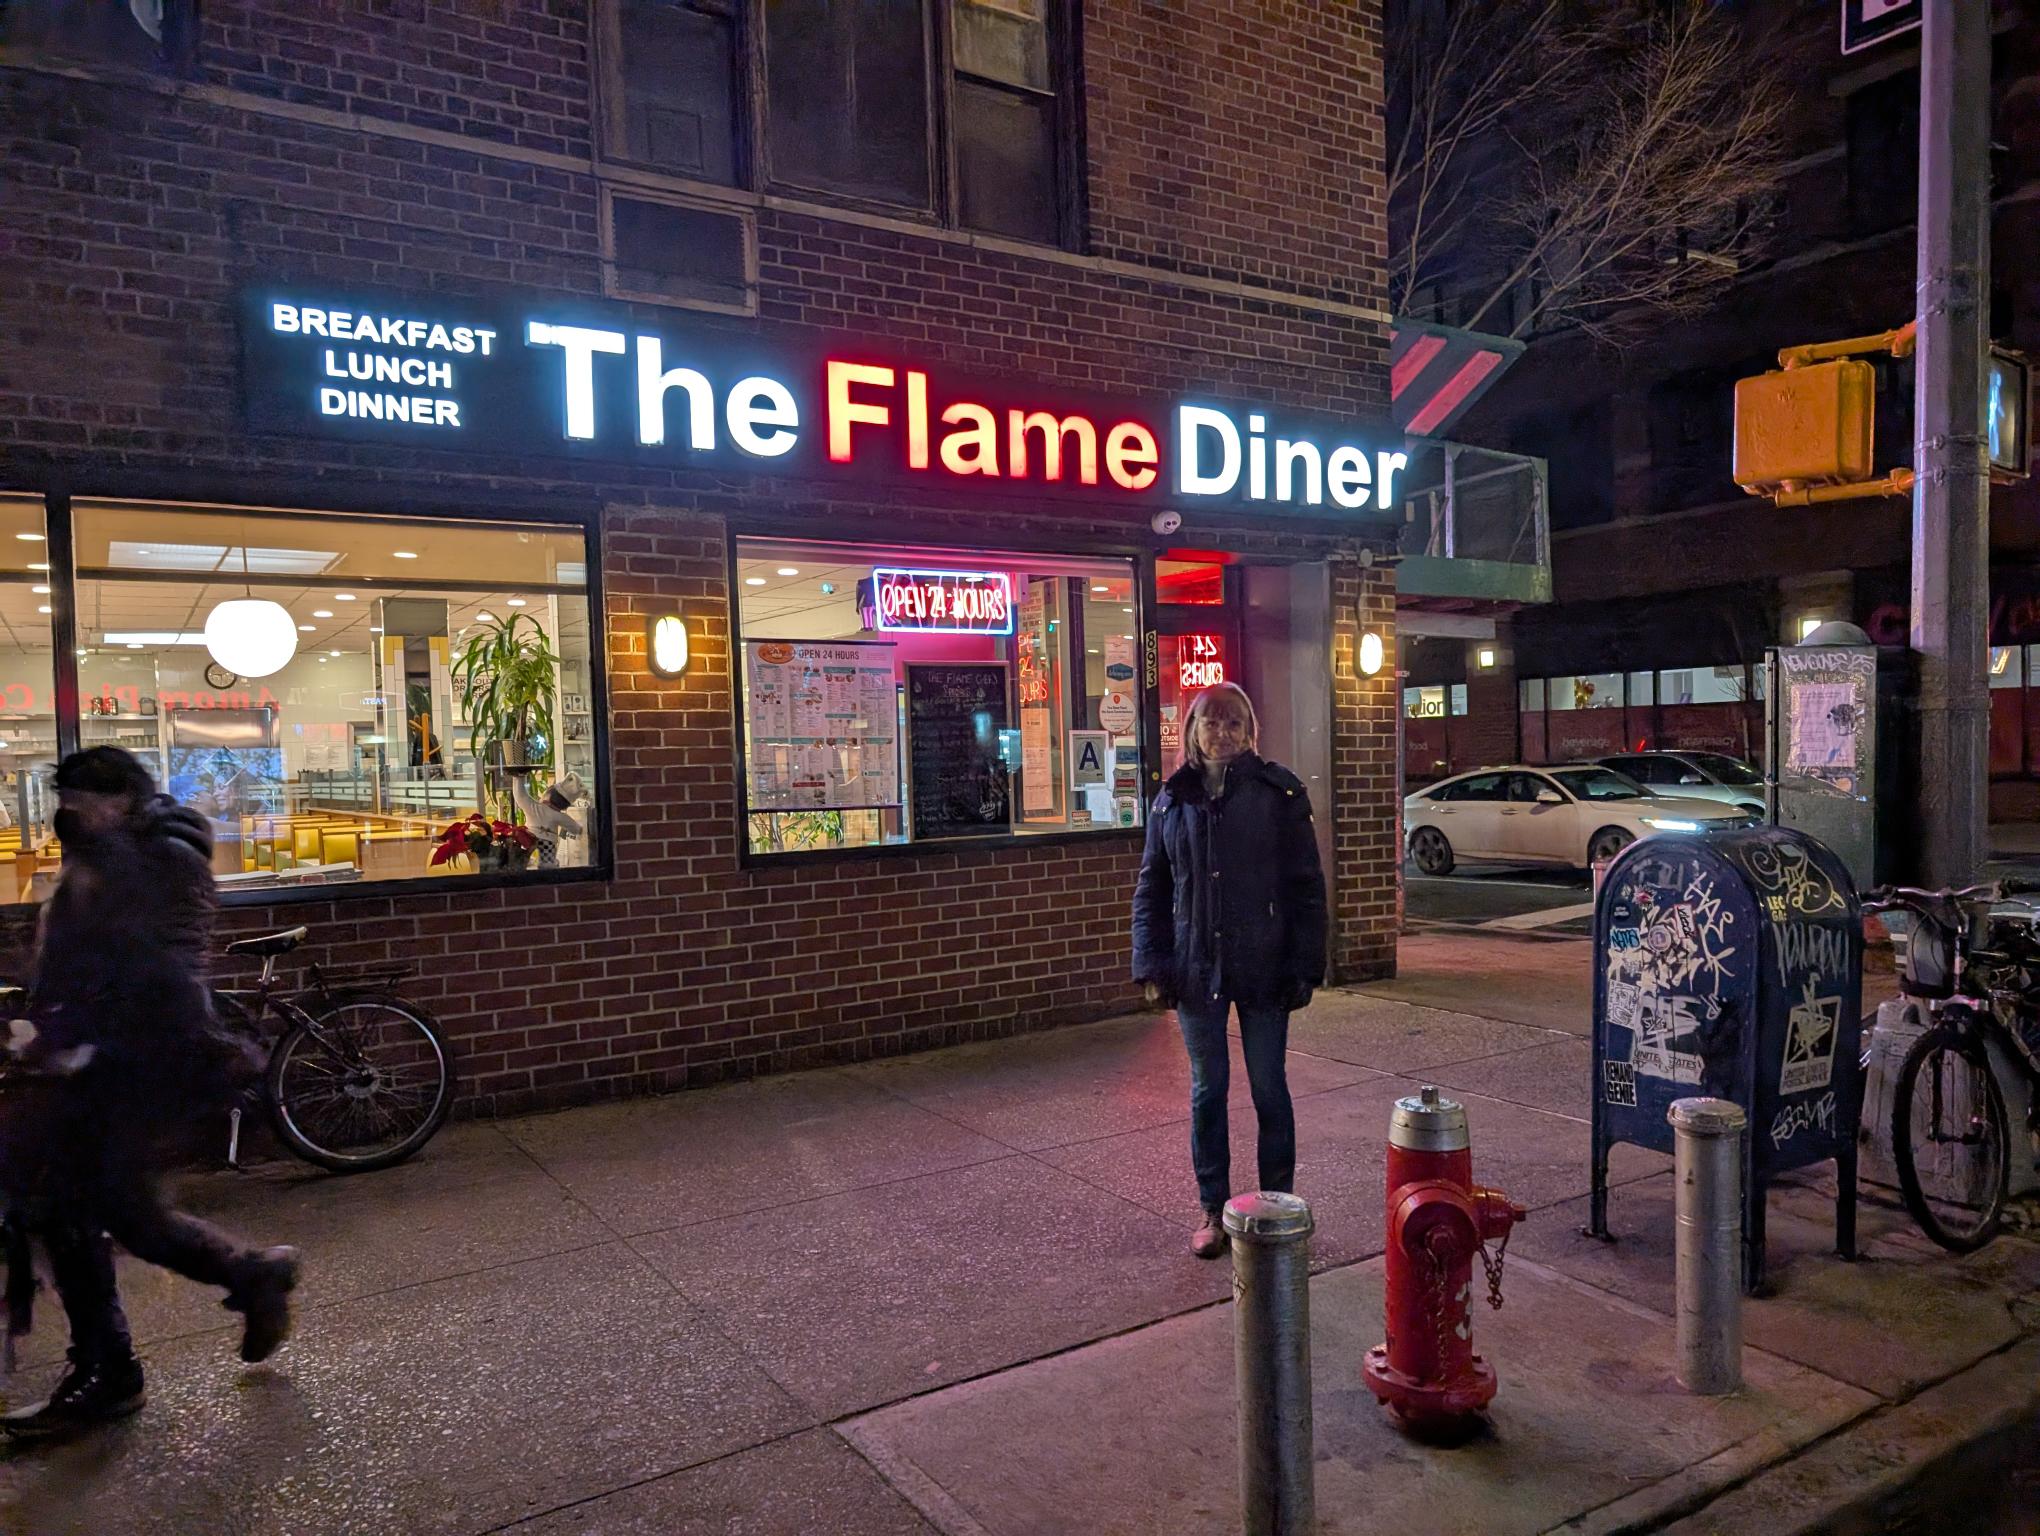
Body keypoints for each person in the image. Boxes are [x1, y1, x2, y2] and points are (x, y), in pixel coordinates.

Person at [0, 747, 298, 1442]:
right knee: (99, 1211)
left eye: (81, 802)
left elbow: (148, 961)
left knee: (89, 1210)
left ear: (121, 799)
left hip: (143, 1061)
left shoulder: (164, 854)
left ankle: (113, 1368)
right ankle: (242, 1282)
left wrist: (72, 1032)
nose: (68, 815)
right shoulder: (112, 852)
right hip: (101, 1059)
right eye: (64, 801)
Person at [1131, 682, 1327, 1259]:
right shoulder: (1173, 800)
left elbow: (1306, 888)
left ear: (1249, 731)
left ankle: (1277, 1204)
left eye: (1233, 722)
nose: (1222, 732)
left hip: (1265, 966)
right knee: (1207, 1089)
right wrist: (1152, 963)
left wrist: (1304, 965)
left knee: (1269, 1087)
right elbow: (1152, 887)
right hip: (1196, 967)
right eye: (1211, 722)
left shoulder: (1279, 793)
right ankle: (1212, 1209)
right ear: (1193, 730)